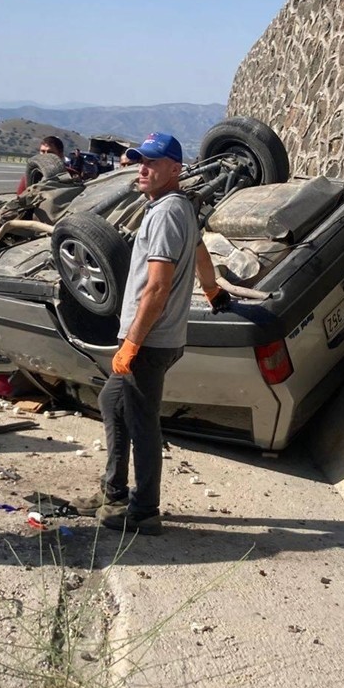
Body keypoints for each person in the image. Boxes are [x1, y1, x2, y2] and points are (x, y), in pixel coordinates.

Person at [88, 133, 231, 536]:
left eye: (152, 162)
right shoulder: (180, 206)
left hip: (149, 340)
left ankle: (145, 510)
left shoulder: (166, 212)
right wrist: (211, 289)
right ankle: (113, 493)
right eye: (140, 161)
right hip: (154, 338)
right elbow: (200, 251)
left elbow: (157, 287)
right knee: (112, 401)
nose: (142, 169)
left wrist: (133, 343)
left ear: (175, 169)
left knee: (142, 422)